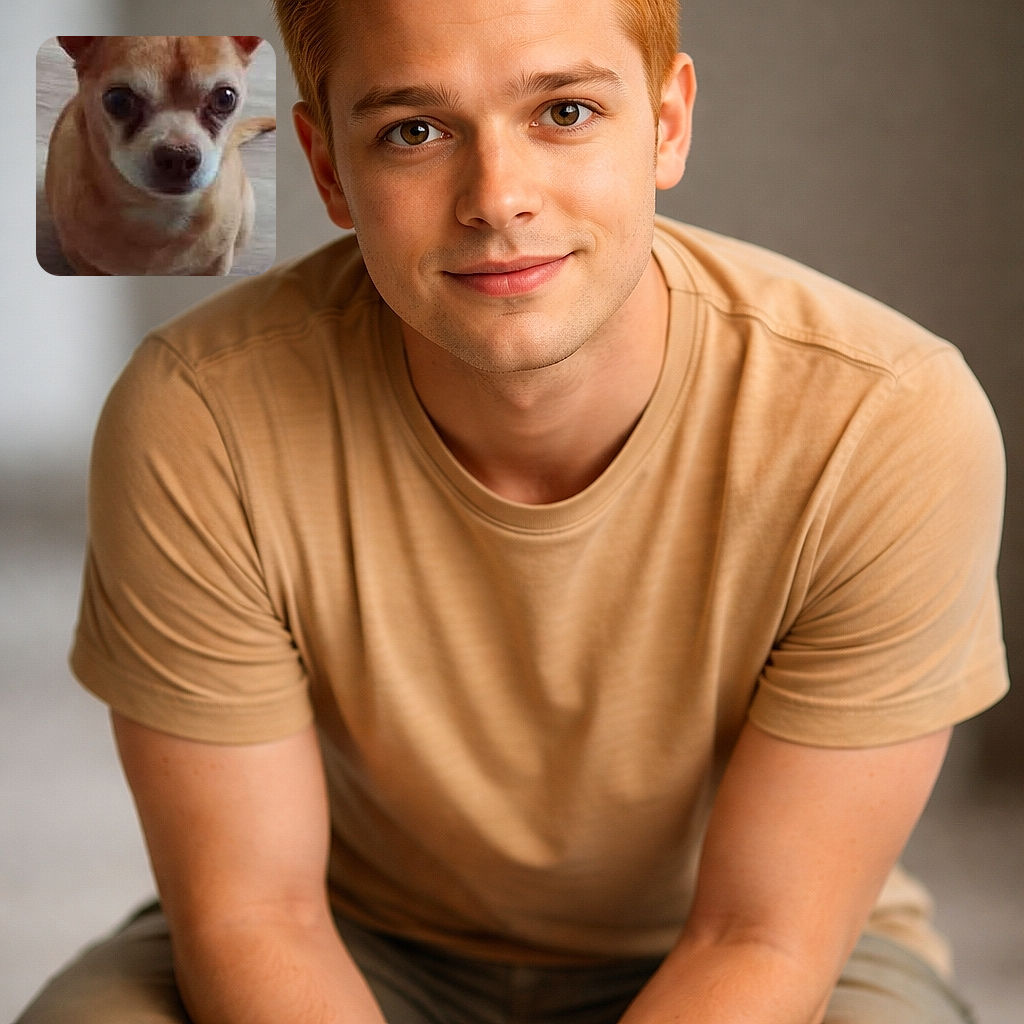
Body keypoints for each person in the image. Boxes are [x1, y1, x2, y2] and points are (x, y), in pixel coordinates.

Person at [18, 0, 1008, 1021]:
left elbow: (760, 935)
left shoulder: (885, 420)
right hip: (347, 935)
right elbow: (257, 915)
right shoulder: (199, 417)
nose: (496, 198)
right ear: (327, 169)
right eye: (413, 131)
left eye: (565, 112)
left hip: (743, 945)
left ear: (665, 123)